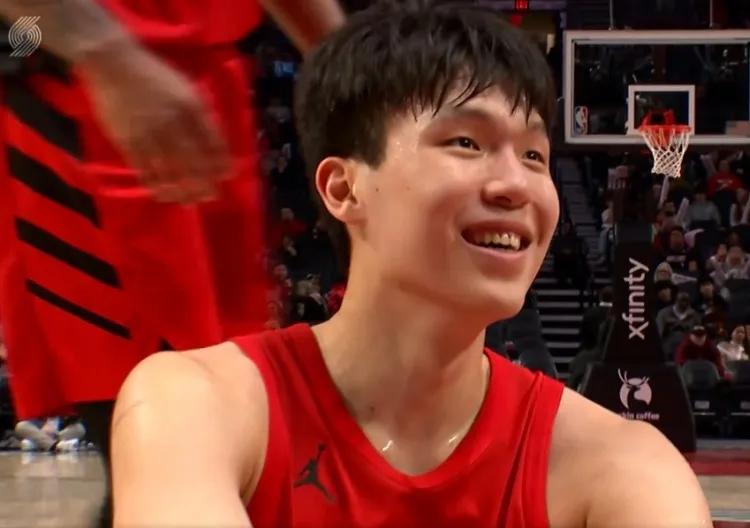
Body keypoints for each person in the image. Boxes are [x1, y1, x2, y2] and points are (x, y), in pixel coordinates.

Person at [111, 3, 710, 527]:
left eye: (534, 155)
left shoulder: (628, 465)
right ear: (343, 188)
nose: (516, 185)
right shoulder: (192, 405)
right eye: (466, 143)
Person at [0, 0, 344, 526]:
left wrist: (353, 69)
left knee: (229, 433)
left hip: (208, 89)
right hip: (92, 91)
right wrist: (109, 58)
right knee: (162, 449)